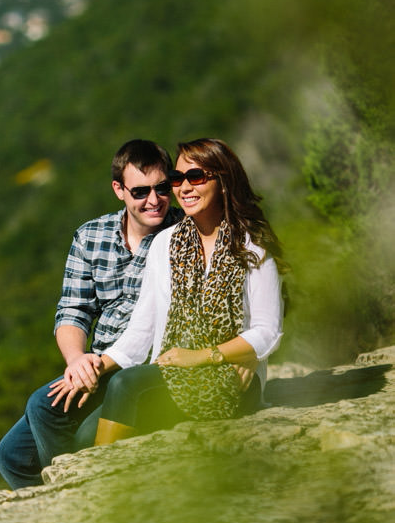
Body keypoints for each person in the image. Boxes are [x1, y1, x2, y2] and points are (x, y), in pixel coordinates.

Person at [48, 138, 285, 445]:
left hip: (229, 376)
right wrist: (91, 368)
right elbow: (142, 330)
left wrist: (205, 357)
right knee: (79, 433)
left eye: (196, 177)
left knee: (124, 388)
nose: (184, 187)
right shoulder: (165, 244)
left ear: (224, 182)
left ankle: (104, 486)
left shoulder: (251, 247)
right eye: (177, 178)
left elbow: (268, 332)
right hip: (169, 372)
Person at [0, 139, 183, 489]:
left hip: (141, 368)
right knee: (11, 456)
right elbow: (73, 310)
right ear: (119, 190)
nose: (153, 200)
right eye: (140, 191)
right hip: (97, 364)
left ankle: (82, 503)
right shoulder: (90, 236)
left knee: (68, 427)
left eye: (162, 187)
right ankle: (60, 516)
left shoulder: (182, 235)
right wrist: (77, 360)